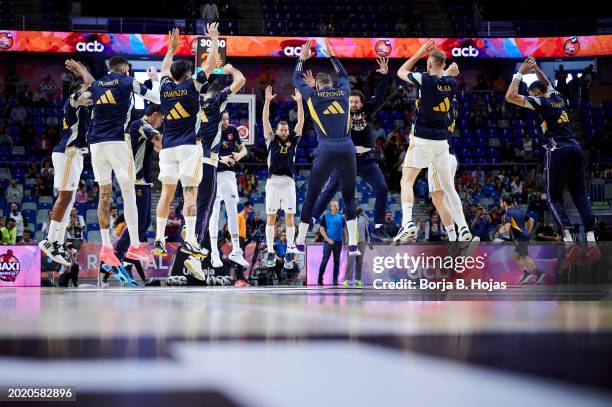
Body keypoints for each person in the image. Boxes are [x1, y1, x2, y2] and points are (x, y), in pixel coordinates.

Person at [505, 56, 600, 267]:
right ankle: (592, 243)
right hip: (576, 147)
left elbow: (510, 96)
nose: (530, 98)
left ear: (536, 94)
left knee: (553, 197)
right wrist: (536, 68)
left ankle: (569, 242)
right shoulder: (558, 97)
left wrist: (520, 72)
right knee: (579, 196)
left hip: (558, 149)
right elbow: (546, 82)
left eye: (531, 94)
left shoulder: (541, 101)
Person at [153, 27, 215, 280]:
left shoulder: (165, 88)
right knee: (190, 193)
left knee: (167, 194)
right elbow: (210, 64)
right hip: (189, 146)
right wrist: (212, 41)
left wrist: (171, 48)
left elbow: (164, 68)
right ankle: (190, 240)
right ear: (188, 74)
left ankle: (158, 239)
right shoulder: (192, 86)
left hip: (168, 148)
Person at [394, 40, 472, 243]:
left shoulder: (424, 79)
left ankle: (408, 223)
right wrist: (448, 72)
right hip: (441, 142)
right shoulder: (451, 82)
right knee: (447, 188)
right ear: (443, 65)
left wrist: (419, 51)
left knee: (407, 180)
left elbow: (401, 71)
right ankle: (462, 230)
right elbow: (443, 77)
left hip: (422, 138)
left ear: (429, 64)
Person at [88, 48, 160, 268]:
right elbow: (154, 97)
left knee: (104, 195)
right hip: (117, 141)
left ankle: (106, 248)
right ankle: (136, 246)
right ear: (125, 69)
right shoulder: (127, 81)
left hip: (95, 144)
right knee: (128, 194)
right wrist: (153, 80)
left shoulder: (96, 85)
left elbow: (86, 103)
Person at [291, 40, 360, 257]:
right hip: (348, 147)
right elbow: (344, 76)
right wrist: (332, 56)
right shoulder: (344, 92)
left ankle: (300, 241)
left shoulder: (312, 95)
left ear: (317, 85)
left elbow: (295, 78)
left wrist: (302, 59)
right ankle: (355, 244)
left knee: (312, 194)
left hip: (326, 148)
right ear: (330, 82)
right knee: (349, 196)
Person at [311, 58, 390, 240]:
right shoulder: (341, 110)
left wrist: (384, 76)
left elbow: (379, 96)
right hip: (347, 160)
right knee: (330, 188)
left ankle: (378, 226)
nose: (353, 104)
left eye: (356, 102)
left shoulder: (367, 111)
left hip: (367, 160)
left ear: (361, 104)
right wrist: (315, 89)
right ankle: (313, 216)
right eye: (351, 102)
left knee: (383, 188)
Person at [194, 62, 246, 269]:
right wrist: (230, 69)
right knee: (211, 210)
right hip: (211, 164)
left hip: (198, 161)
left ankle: (233, 250)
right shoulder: (215, 104)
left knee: (217, 208)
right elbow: (241, 81)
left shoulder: (194, 104)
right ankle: (214, 252)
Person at [114, 104, 164, 268]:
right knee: (139, 221)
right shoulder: (140, 124)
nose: (161, 123)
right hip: (136, 180)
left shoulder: (145, 128)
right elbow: (158, 139)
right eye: (161, 119)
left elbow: (157, 147)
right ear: (154, 114)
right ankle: (116, 255)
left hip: (144, 180)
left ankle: (126, 251)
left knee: (145, 221)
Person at [262, 85, 304, 269]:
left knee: (289, 218)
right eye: (281, 129)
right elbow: (264, 120)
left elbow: (301, 122)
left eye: (286, 130)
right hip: (272, 182)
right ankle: (270, 251)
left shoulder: (293, 140)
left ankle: (289, 252)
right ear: (277, 130)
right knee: (270, 218)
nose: (283, 132)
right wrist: (267, 101)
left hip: (288, 183)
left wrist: (300, 103)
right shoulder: (271, 139)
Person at [208, 111, 249, 268]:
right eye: (223, 119)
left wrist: (239, 155)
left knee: (233, 210)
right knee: (215, 212)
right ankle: (214, 253)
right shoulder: (210, 130)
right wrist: (220, 158)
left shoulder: (232, 130)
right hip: (213, 174)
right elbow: (203, 153)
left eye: (227, 118)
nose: (226, 121)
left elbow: (243, 149)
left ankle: (236, 250)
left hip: (229, 175)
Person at [500, 195, 543, 285]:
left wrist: (502, 229)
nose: (500, 204)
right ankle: (526, 274)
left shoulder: (508, 213)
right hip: (523, 236)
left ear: (504, 203)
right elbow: (531, 220)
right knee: (517, 255)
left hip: (521, 238)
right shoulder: (519, 211)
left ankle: (538, 274)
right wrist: (527, 231)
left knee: (524, 256)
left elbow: (507, 228)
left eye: (501, 202)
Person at [317, 201, 346, 286]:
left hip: (339, 242)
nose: (337, 208)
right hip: (328, 243)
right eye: (335, 206)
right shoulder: (325, 217)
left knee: (337, 261)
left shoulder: (341, 217)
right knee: (325, 261)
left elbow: (343, 230)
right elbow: (321, 230)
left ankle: (335, 280)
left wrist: (345, 241)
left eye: (337, 206)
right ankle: (319, 279)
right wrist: (328, 239)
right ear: (330, 207)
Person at [341, 208, 371, 288]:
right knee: (350, 261)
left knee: (359, 261)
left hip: (361, 242)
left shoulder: (363, 219)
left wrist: (369, 241)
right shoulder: (347, 219)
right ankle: (347, 280)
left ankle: (358, 280)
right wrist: (345, 242)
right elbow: (344, 230)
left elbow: (367, 230)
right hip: (352, 242)